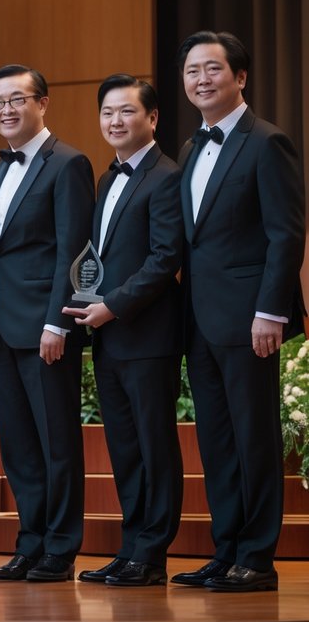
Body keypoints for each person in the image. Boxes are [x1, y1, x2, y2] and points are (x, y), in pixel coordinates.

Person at [169, 31, 305, 593]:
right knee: (217, 439)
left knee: (254, 438)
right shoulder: (187, 147)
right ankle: (226, 550)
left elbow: (285, 233)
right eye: (192, 71)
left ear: (240, 77)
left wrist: (270, 311)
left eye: (213, 70)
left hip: (251, 319)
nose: (201, 80)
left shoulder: (266, 142)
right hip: (199, 318)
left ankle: (258, 557)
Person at [62, 74, 183, 587]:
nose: (115, 121)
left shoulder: (167, 176)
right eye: (107, 112)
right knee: (125, 448)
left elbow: (164, 259)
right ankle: (132, 546)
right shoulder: (108, 178)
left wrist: (112, 305)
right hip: (109, 335)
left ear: (152, 118)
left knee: (154, 445)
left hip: (147, 334)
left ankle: (152, 554)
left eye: (127, 112)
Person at [0, 64, 94, 583]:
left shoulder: (68, 163)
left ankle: (61, 548)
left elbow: (73, 250)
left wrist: (58, 324)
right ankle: (29, 543)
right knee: (19, 444)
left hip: (46, 326)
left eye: (16, 99)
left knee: (56, 441)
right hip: (2, 324)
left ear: (42, 104)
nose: (5, 110)